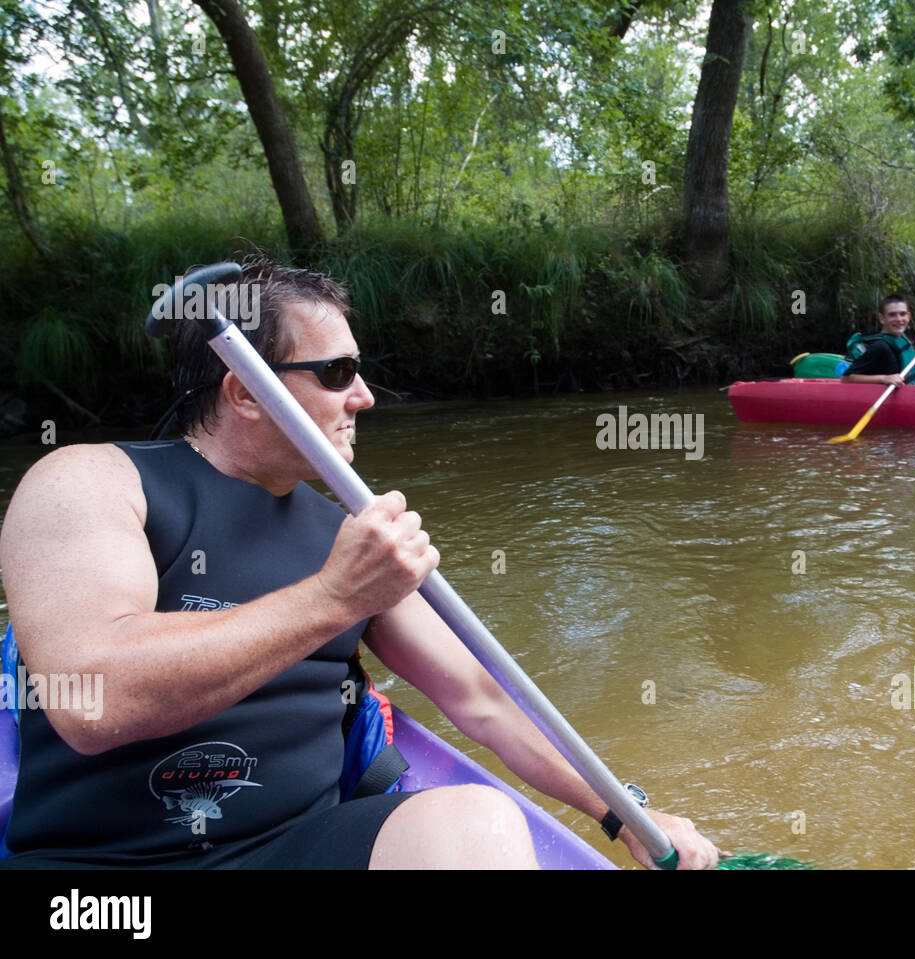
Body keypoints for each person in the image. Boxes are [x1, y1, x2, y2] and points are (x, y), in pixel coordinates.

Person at [0, 256, 717, 870]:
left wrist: (625, 814)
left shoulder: (344, 533)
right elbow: (92, 698)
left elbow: (483, 698)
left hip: (294, 846)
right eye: (337, 372)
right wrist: (334, 597)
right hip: (97, 872)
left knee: (480, 822)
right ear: (246, 389)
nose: (364, 396)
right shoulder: (90, 483)